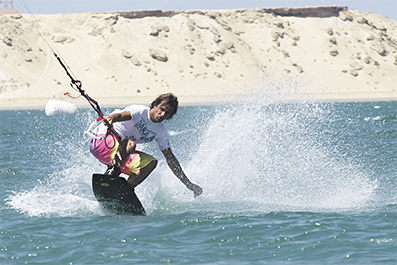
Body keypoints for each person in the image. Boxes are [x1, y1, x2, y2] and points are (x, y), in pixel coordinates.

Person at [89, 93, 203, 198]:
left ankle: (123, 192)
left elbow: (171, 159)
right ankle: (111, 175)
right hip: (102, 142)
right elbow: (120, 115)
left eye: (167, 113)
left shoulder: (161, 131)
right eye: (161, 109)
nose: (162, 114)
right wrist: (111, 118)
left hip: (118, 156)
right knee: (130, 144)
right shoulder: (141, 111)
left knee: (150, 163)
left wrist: (189, 184)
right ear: (154, 105)